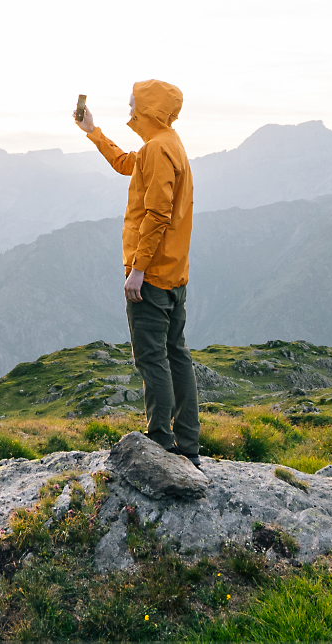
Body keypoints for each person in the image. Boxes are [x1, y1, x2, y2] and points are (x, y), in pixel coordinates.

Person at [75, 80, 198, 465]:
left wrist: (137, 271)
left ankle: (161, 443)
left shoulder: (159, 149)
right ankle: (188, 445)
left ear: (150, 108)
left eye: (134, 103)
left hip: (155, 276)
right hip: (174, 274)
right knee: (176, 355)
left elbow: (158, 215)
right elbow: (126, 164)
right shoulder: (164, 144)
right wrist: (93, 131)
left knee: (152, 359)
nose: (129, 109)